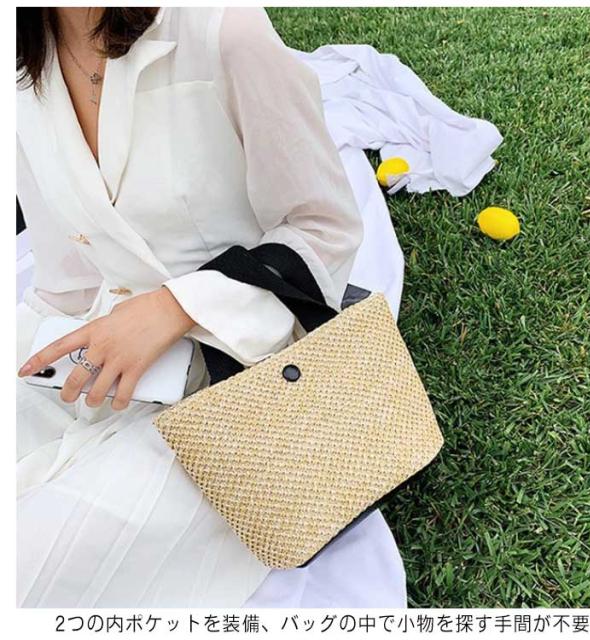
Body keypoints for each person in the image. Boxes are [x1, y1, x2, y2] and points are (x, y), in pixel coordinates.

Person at [16, 6, 406, 607]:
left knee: (26, 561)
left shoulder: (222, 27)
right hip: (104, 355)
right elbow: (65, 275)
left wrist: (176, 307)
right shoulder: (19, 64)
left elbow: (324, 228)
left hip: (247, 382)